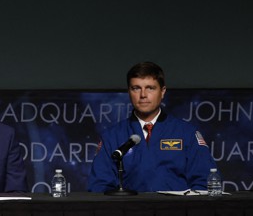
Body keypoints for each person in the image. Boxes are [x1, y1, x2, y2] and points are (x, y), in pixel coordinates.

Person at [88, 62, 217, 192]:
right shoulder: (112, 137)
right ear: (129, 92)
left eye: (150, 88)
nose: (143, 95)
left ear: (162, 92)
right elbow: (99, 187)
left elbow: (205, 182)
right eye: (136, 88)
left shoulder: (187, 133)